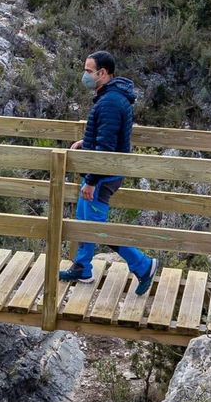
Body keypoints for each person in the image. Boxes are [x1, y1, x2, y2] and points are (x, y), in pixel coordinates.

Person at [61, 51, 160, 296]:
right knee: (84, 219)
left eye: (88, 71)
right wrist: (87, 141)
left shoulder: (110, 102)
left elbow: (106, 149)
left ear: (102, 73)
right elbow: (107, 136)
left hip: (103, 175)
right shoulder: (110, 97)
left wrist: (92, 181)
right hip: (101, 171)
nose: (85, 75)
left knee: (97, 228)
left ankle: (143, 265)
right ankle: (82, 267)